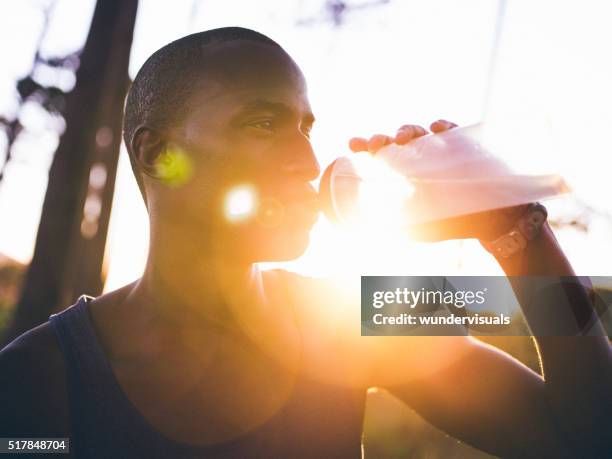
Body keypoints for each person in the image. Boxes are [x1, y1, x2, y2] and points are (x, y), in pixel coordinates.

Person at [0, 27, 610, 458]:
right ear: (160, 155)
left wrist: (516, 238)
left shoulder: (357, 317)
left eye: (305, 128)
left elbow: (584, 438)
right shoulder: (38, 382)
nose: (306, 160)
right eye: (262, 124)